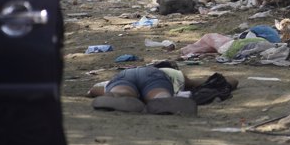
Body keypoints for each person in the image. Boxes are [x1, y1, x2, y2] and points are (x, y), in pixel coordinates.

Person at [87, 63, 238, 113]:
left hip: (123, 76)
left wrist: (94, 93)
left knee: (119, 91)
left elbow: (94, 90)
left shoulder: (127, 73)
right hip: (155, 77)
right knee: (159, 95)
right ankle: (164, 100)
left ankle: (115, 97)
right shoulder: (173, 74)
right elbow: (228, 81)